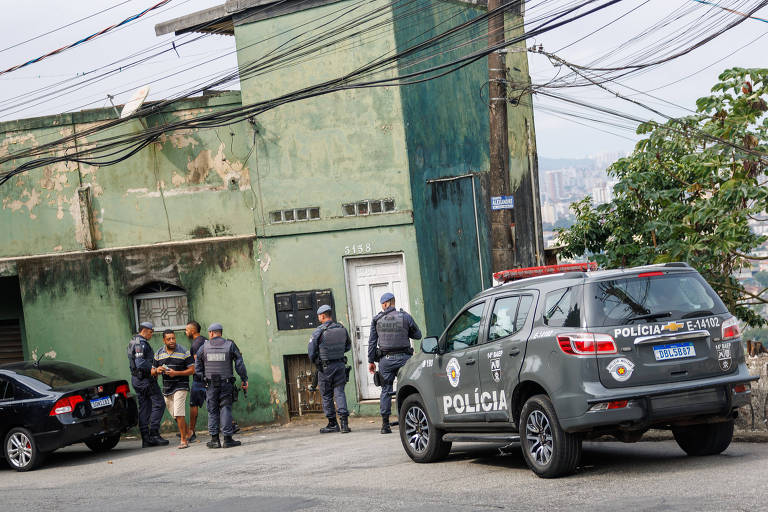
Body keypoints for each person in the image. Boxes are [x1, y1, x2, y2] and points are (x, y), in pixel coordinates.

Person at [368, 292, 422, 434]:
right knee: (407, 387)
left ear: (385, 304)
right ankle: (407, 420)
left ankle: (385, 425)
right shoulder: (405, 317)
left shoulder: (377, 320)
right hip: (404, 359)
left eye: (382, 304)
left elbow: (372, 343)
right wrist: (405, 331)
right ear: (393, 302)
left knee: (386, 390)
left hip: (386, 361)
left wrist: (371, 361)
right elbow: (418, 335)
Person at [195, 323, 248, 449]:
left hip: (211, 384)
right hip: (226, 383)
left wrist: (203, 377)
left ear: (211, 333)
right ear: (220, 332)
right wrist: (244, 379)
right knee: (225, 409)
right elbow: (239, 363)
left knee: (212, 410)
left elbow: (197, 364)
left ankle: (214, 440)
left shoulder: (204, 347)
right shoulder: (230, 345)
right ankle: (227, 439)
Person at [307, 305, 352, 434]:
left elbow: (311, 351)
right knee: (340, 393)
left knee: (326, 395)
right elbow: (347, 346)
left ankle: (333, 424)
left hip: (325, 367)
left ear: (322, 316)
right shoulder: (342, 329)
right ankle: (344, 424)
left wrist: (317, 360)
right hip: (340, 365)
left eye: (319, 316)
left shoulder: (319, 331)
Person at [126, 322, 169, 447]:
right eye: (151, 332)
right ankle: (154, 434)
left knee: (144, 407)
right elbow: (140, 363)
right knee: (159, 403)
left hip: (137, 380)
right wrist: (154, 369)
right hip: (145, 380)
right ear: (145, 330)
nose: (151, 334)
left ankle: (146, 438)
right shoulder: (141, 344)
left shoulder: (132, 341)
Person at [153, 329, 195, 449]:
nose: (172, 341)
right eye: (169, 339)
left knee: (179, 413)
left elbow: (192, 370)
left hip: (181, 386)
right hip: (167, 388)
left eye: (173, 338)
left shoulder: (184, 351)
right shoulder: (159, 353)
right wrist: (157, 370)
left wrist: (176, 373)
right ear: (164, 340)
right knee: (175, 415)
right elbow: (152, 371)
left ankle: (183, 440)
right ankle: (188, 433)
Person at [185, 320, 207, 443]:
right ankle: (231, 424)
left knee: (193, 404)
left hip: (199, 379)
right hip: (209, 377)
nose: (185, 332)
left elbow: (198, 363)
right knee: (215, 402)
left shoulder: (195, 345)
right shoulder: (205, 340)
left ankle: (191, 431)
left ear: (193, 331)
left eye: (187, 330)